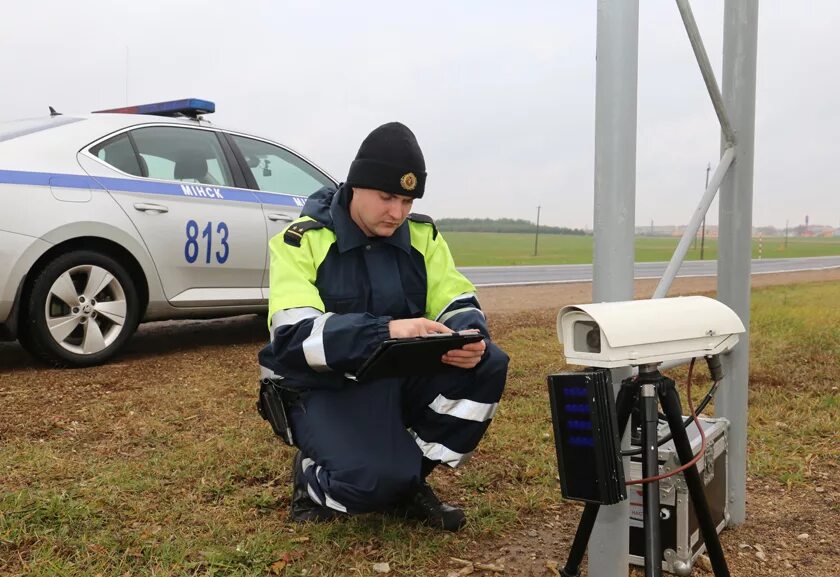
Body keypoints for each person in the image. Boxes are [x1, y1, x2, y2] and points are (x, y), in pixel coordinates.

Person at [257, 122, 508, 532]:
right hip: (322, 385)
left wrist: (467, 333)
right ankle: (312, 479)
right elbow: (293, 338)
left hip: (391, 376)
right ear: (356, 185)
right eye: (387, 197)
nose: (398, 213)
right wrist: (387, 330)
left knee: (487, 363)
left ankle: (408, 480)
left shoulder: (422, 237)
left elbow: (454, 296)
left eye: (408, 200)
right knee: (369, 482)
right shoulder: (301, 241)